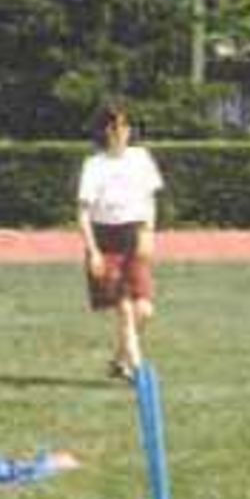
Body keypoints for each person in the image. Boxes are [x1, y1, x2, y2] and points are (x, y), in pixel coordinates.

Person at [76, 101, 164, 380]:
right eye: (115, 126)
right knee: (124, 309)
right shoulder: (94, 165)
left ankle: (119, 360)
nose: (121, 131)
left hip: (135, 236)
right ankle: (138, 371)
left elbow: (150, 200)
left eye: (125, 125)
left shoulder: (141, 158)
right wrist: (93, 252)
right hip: (105, 238)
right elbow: (83, 212)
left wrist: (149, 233)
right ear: (104, 131)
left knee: (144, 310)